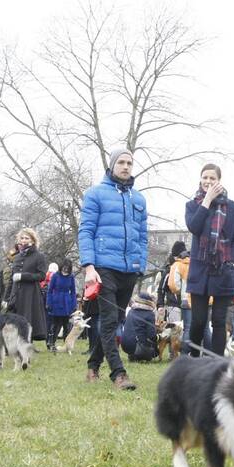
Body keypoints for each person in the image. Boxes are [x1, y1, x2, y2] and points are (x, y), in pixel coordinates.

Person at [78, 147, 148, 390]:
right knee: (109, 323)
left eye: (130, 162)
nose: (126, 166)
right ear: (112, 165)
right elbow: (85, 230)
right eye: (121, 162)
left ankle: (92, 366)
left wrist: (141, 263)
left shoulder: (138, 199)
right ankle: (119, 374)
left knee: (117, 319)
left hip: (129, 269)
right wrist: (88, 266)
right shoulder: (95, 194)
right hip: (103, 267)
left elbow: (143, 236)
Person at [184, 163, 234, 358]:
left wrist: (232, 261)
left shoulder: (232, 207)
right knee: (199, 321)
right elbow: (194, 227)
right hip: (200, 270)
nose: (208, 181)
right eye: (205, 177)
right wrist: (207, 201)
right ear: (200, 179)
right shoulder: (192, 204)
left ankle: (216, 365)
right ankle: (193, 360)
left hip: (223, 270)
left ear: (219, 181)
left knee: (219, 321)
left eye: (213, 178)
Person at [8, 228, 49, 344]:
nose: (24, 240)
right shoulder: (16, 257)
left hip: (30, 295)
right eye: (22, 238)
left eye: (27, 238)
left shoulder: (39, 256)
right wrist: (6, 298)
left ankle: (26, 352)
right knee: (14, 324)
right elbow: (12, 279)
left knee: (27, 323)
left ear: (33, 240)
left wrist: (23, 276)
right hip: (16, 294)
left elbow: (42, 275)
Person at [46, 260, 77, 351]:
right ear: (61, 267)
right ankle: (51, 343)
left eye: (67, 268)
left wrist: (73, 304)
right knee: (55, 325)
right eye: (64, 267)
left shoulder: (71, 277)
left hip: (67, 302)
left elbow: (73, 291)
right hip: (56, 301)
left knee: (66, 325)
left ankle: (67, 345)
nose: (65, 269)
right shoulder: (55, 276)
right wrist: (49, 302)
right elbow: (50, 290)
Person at [121, 291, 158, 362]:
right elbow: (151, 335)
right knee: (154, 340)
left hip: (124, 344)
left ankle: (133, 354)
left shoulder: (131, 311)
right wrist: (158, 337)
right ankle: (141, 355)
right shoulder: (150, 314)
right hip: (138, 345)